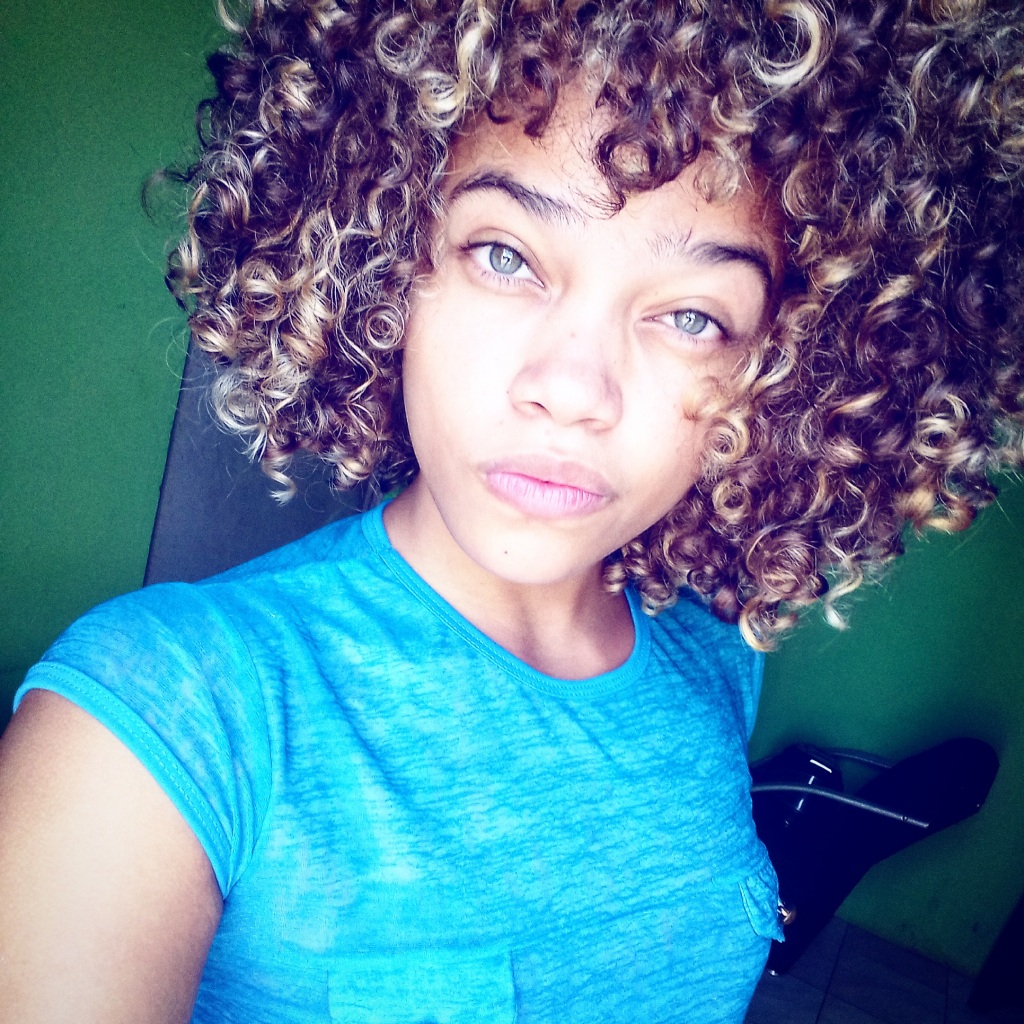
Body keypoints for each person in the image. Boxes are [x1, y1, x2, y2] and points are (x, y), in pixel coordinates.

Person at [1, 0, 1021, 1020]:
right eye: (504, 255)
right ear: (382, 260)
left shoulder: (714, 648)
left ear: (783, 370)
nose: (573, 390)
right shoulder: (162, 716)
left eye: (691, 316)